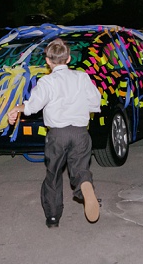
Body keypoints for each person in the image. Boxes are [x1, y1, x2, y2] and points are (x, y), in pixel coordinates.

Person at [6, 38, 102, 228]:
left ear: (48, 61)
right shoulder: (82, 77)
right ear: (68, 59)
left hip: (57, 134)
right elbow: (95, 102)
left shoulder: (46, 81)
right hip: (80, 133)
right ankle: (85, 185)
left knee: (54, 174)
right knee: (80, 169)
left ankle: (53, 217)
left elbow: (32, 107)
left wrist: (17, 108)